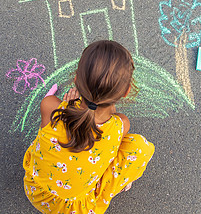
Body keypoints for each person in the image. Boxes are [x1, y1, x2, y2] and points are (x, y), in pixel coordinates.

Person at [23, 40, 155, 213]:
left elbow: (48, 132)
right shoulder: (119, 126)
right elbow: (103, 121)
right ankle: (120, 182)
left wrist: (67, 106)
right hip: (78, 210)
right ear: (126, 92)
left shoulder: (50, 107)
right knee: (140, 148)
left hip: (37, 193)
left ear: (76, 79)